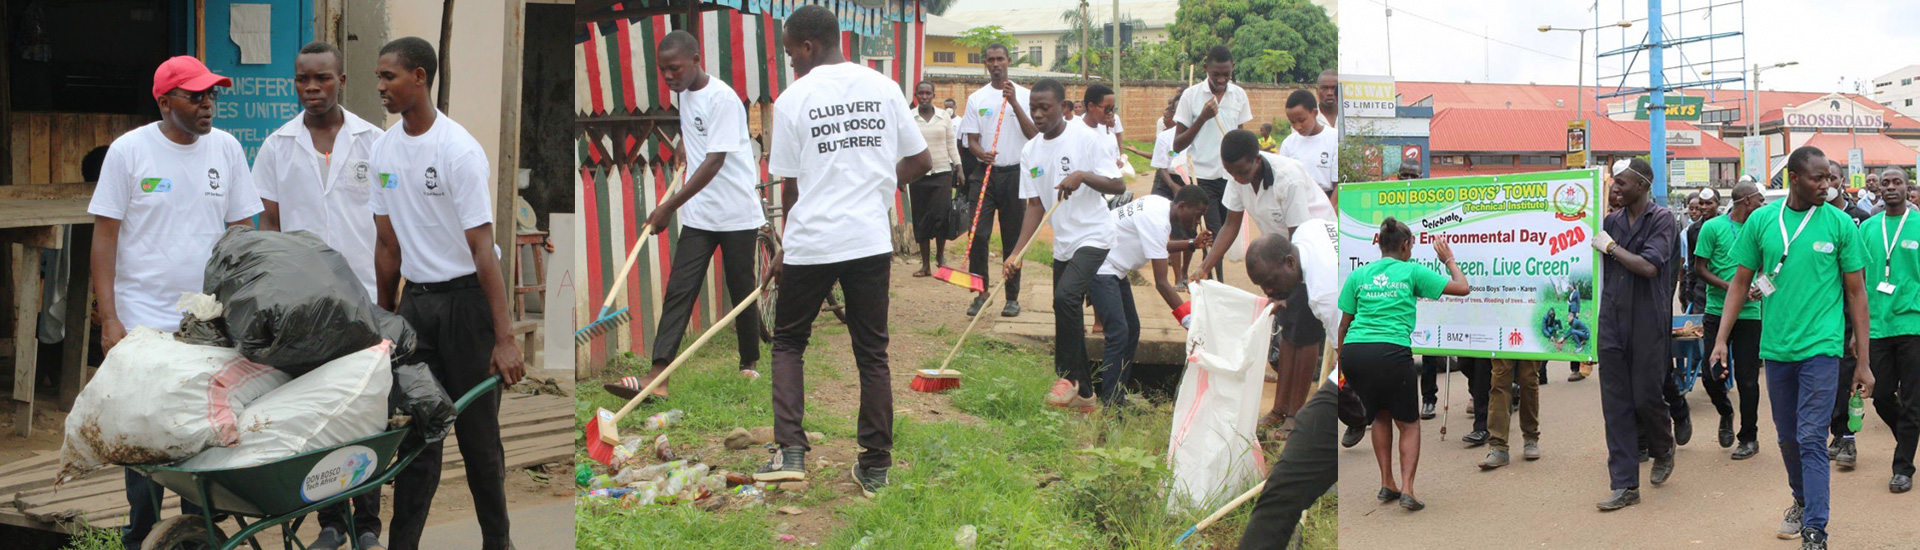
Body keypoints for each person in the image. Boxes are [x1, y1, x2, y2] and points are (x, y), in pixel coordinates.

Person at [757, 6, 932, 498]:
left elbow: (791, 187)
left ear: (808, 46)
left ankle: (791, 451)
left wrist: (787, 245)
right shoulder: (885, 87)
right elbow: (921, 160)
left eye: (791, 54)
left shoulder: (794, 99)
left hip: (813, 241)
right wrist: (874, 187)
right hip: (868, 240)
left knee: (789, 343)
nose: (792, 63)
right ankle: (875, 466)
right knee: (872, 352)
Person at [92, 55, 261, 550]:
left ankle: (198, 530)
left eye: (212, 94)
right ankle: (141, 530)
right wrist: (109, 317)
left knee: (201, 425)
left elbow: (242, 233)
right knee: (144, 428)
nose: (207, 104)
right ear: (165, 102)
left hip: (207, 321)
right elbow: (105, 237)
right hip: (143, 319)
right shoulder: (129, 152)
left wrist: (238, 307)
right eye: (195, 95)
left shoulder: (226, 149)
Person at [368, 37, 525, 550]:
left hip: (468, 305)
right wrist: (384, 323)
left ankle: (498, 542)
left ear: (419, 76)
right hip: (418, 306)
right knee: (417, 438)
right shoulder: (383, 150)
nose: (381, 86)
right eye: (379, 77)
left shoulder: (458, 150)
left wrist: (504, 338)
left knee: (479, 443)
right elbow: (387, 245)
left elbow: (483, 249)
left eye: (389, 76)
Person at [251, 41, 386, 550]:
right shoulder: (277, 146)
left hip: (366, 297)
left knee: (368, 411)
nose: (312, 88)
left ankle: (367, 525)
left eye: (322, 78)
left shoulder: (374, 142)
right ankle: (331, 523)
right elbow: (269, 225)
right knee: (324, 413)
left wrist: (389, 296)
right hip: (305, 305)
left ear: (341, 81)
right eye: (303, 79)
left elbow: (388, 225)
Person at [1708, 146, 1873, 549]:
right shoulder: (1762, 220)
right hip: (1777, 348)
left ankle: (1816, 529)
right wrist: (1720, 340)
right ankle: (1801, 499)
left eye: (1829, 177)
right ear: (1794, 179)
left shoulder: (1840, 224)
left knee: (1812, 436)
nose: (1827, 185)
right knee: (1788, 438)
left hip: (1822, 347)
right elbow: (1741, 283)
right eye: (1818, 178)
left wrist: (1863, 362)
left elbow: (1857, 294)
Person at [615, 31, 769, 400]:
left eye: (675, 68)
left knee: (740, 287)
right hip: (701, 215)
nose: (668, 76)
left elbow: (714, 161)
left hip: (735, 212)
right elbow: (699, 134)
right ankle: (659, 374)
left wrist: (668, 206)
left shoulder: (723, 99)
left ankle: (749, 360)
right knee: (679, 290)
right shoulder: (684, 93)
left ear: (696, 60)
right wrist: (686, 143)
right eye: (663, 70)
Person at [1003, 78, 1125, 412]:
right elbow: (1035, 206)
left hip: (1095, 234)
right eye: (1033, 109)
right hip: (1064, 242)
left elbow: (1118, 184)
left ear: (1064, 107)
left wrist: (1083, 176)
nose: (1038, 115)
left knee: (1065, 297)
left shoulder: (1085, 138)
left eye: (1045, 108)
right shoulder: (1030, 151)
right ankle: (1085, 395)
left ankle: (1068, 377)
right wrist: (1016, 253)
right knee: (1063, 308)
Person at [1339, 218, 1471, 511]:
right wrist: (1448, 260)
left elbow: (1344, 324)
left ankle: (1387, 483)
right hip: (1391, 352)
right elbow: (1463, 287)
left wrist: (1341, 363)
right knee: (1409, 424)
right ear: (1405, 245)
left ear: (1379, 244)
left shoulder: (1359, 275)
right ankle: (1407, 489)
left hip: (1355, 351)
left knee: (1380, 416)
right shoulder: (1412, 271)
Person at [1236, 229, 1341, 549]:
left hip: (1367, 364)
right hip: (1370, 347)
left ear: (1290, 262)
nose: (1268, 292)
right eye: (1261, 285)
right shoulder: (1309, 230)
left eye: (1270, 282)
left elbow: (1351, 357)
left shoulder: (1325, 294)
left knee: (1284, 485)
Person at [1593, 157, 1679, 512]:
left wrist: (1611, 247)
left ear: (1642, 186)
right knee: (1615, 405)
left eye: (1622, 183)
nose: (1615, 188)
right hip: (1612, 320)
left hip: (1646, 320)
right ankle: (1625, 484)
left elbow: (1648, 266)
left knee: (1646, 397)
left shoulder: (1662, 220)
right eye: (1614, 183)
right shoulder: (1610, 221)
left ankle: (1663, 446)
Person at [1089, 186, 1209, 405]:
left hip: (1114, 268)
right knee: (1118, 332)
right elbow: (1162, 283)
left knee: (1131, 329)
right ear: (1182, 206)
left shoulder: (1159, 204)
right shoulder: (1157, 219)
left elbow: (1157, 244)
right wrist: (1189, 320)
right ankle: (1111, 401)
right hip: (1101, 266)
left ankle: (1117, 393)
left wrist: (1192, 244)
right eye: (1197, 215)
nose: (1197, 222)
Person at [1188, 129, 1333, 283]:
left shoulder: (1289, 179)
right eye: (1231, 173)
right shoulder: (1237, 173)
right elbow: (1230, 225)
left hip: (1318, 250)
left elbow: (1297, 236)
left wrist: (1289, 284)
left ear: (1257, 159)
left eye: (1242, 172)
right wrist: (1204, 268)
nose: (1236, 178)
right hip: (1290, 250)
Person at [958, 42, 1037, 318]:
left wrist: (1014, 103)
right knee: (978, 234)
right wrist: (982, 154)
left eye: (1000, 59)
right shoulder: (976, 99)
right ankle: (981, 294)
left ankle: (1011, 298)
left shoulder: (1026, 96)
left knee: (1013, 238)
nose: (995, 64)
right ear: (985, 63)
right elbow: (971, 141)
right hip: (985, 174)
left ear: (1008, 61)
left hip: (1015, 174)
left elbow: (1034, 135)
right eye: (990, 59)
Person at [1694, 180, 1769, 460]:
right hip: (1716, 310)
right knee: (1710, 374)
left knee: (1748, 380)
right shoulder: (1712, 228)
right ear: (1746, 201)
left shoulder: (1761, 229)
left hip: (1749, 314)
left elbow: (1769, 267)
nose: (1762, 205)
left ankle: (1749, 437)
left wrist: (1762, 286)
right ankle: (1725, 411)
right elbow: (1700, 268)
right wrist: (1731, 287)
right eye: (1759, 200)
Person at [1858, 167, 1920, 494]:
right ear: (1879, 190)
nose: (1891, 187)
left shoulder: (1918, 224)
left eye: (1897, 182)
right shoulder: (1868, 228)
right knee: (1881, 396)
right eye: (1886, 183)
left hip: (1913, 323)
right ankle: (1908, 438)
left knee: (1912, 399)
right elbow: (1856, 279)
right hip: (1877, 325)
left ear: (1908, 188)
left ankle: (1902, 467)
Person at [1172, 46, 1253, 282]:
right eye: (1216, 74)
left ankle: (1211, 279)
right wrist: (1202, 118)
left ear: (1232, 68)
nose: (1221, 79)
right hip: (1203, 177)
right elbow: (1177, 144)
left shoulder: (1239, 96)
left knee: (1225, 232)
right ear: (1206, 68)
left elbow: (1240, 137)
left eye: (1226, 74)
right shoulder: (1191, 96)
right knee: (1215, 232)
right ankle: (1218, 283)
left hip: (1231, 177)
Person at [909, 81, 963, 278]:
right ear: (916, 95)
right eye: (920, 93)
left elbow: (951, 144)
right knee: (921, 219)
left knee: (942, 216)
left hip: (942, 173)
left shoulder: (944, 116)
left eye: (928, 93)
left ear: (933, 95)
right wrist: (900, 176)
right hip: (917, 175)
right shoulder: (909, 117)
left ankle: (940, 257)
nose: (924, 96)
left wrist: (959, 167)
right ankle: (925, 265)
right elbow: (903, 145)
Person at [1147, 94, 1198, 289]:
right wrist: (1174, 187)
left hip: (1191, 182)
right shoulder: (1165, 137)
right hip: (1169, 182)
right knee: (1174, 231)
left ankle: (1185, 271)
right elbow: (1162, 165)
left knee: (1190, 230)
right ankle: (1177, 278)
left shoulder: (1198, 136)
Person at [1279, 89, 1336, 197]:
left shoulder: (1334, 139)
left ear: (1314, 113)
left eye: (1301, 120)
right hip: (1297, 199)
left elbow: (1339, 186)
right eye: (1292, 122)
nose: (1297, 127)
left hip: (1328, 199)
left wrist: (1329, 208)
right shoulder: (1288, 143)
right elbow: (1283, 181)